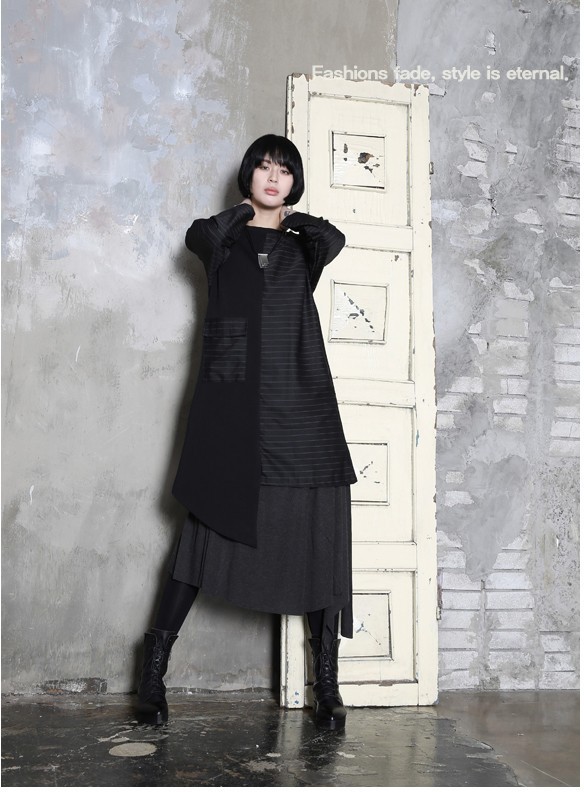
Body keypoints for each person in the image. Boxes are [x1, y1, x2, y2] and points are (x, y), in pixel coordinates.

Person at [136, 134, 357, 731]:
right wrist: (247, 211)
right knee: (200, 537)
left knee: (317, 536)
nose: (273, 177)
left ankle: (327, 685)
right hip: (234, 409)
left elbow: (332, 239)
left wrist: (288, 217)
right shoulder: (223, 242)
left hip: (301, 408)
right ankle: (152, 673)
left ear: (295, 183)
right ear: (247, 175)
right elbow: (199, 234)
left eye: (284, 170)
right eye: (263, 167)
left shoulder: (304, 249)